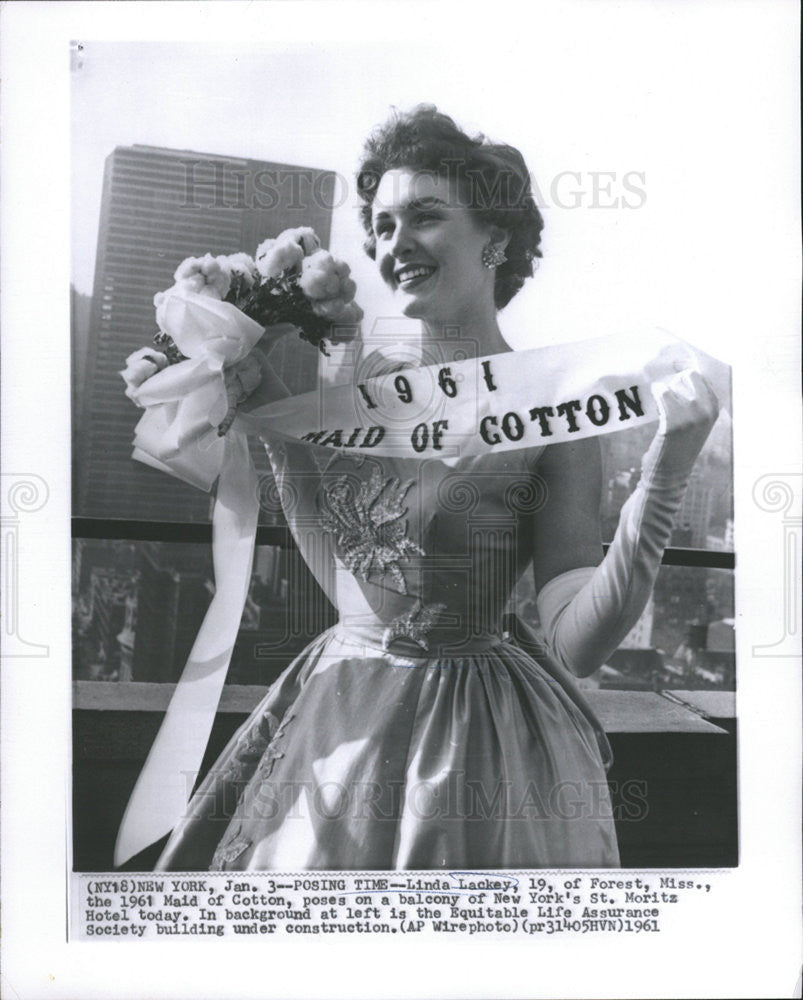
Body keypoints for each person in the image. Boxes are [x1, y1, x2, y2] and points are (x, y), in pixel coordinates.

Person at [155, 105, 718, 871]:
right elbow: (346, 584)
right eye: (381, 227)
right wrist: (266, 423)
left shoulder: (552, 410)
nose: (394, 246)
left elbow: (578, 643)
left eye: (422, 217)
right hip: (335, 704)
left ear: (495, 239)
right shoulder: (359, 379)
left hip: (470, 742)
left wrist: (665, 474)